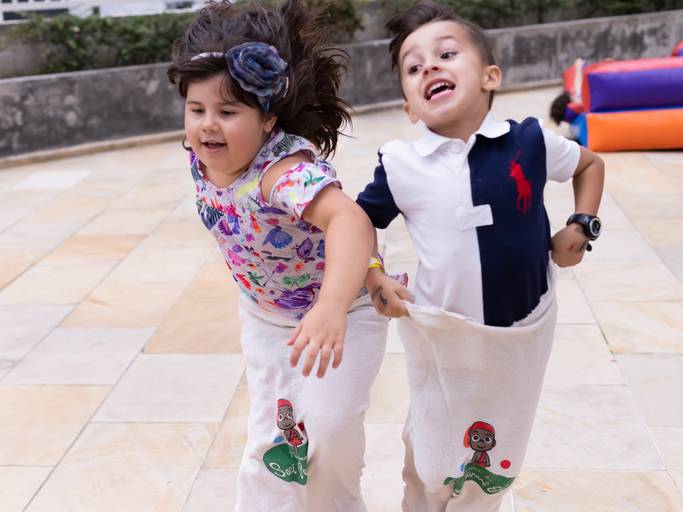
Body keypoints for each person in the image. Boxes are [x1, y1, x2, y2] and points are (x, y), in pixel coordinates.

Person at [356, 1, 605, 511]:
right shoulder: (402, 164)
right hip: (445, 333)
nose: (430, 66)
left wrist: (581, 224)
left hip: (519, 335)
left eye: (447, 54)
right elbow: (357, 222)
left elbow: (590, 164)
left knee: (495, 447)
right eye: (413, 67)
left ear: (491, 76)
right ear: (409, 107)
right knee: (435, 446)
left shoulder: (529, 141)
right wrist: (373, 273)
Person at [168, 1, 388, 510]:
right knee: (275, 443)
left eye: (227, 113)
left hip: (343, 314)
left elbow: (351, 221)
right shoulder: (204, 158)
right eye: (197, 110)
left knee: (329, 434)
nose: (208, 126)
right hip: (268, 320)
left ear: (268, 118)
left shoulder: (282, 173)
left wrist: (333, 305)